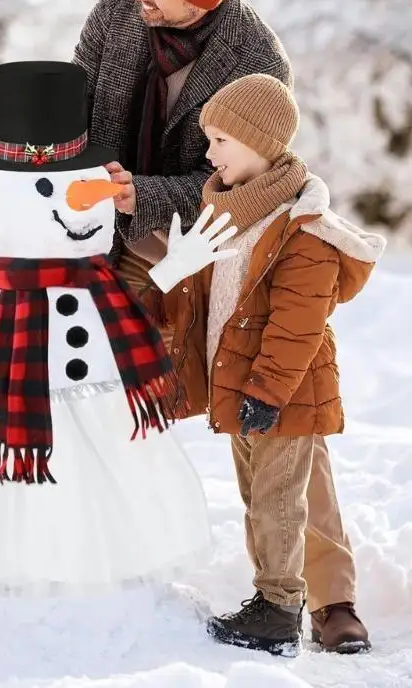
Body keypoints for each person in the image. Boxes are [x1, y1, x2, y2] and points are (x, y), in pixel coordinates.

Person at [143, 75, 384, 655]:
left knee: (280, 499)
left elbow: (296, 322)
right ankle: (275, 598)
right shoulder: (225, 212)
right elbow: (202, 304)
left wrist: (269, 390)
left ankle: (281, 608)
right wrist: (171, 273)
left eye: (221, 139)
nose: (208, 153)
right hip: (242, 384)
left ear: (258, 143)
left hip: (280, 389)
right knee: (262, 498)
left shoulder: (305, 225)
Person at [71, 0, 291, 308]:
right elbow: (72, 103)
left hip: (180, 255)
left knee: (143, 362)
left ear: (202, 0)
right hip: (86, 228)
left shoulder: (259, 66)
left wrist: (144, 194)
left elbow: (238, 187)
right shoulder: (119, 8)